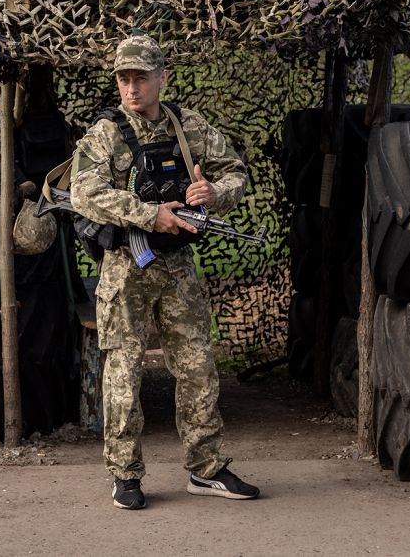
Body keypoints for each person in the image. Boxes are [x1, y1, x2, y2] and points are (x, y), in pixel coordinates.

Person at [70, 34, 261, 510]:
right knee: (123, 372)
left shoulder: (189, 126)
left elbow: (236, 172)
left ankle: (206, 467)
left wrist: (213, 193)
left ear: (162, 78)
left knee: (198, 366)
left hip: (177, 266)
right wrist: (149, 214)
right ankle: (125, 474)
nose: (131, 88)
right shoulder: (105, 133)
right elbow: (84, 194)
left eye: (141, 78)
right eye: (124, 78)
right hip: (126, 266)